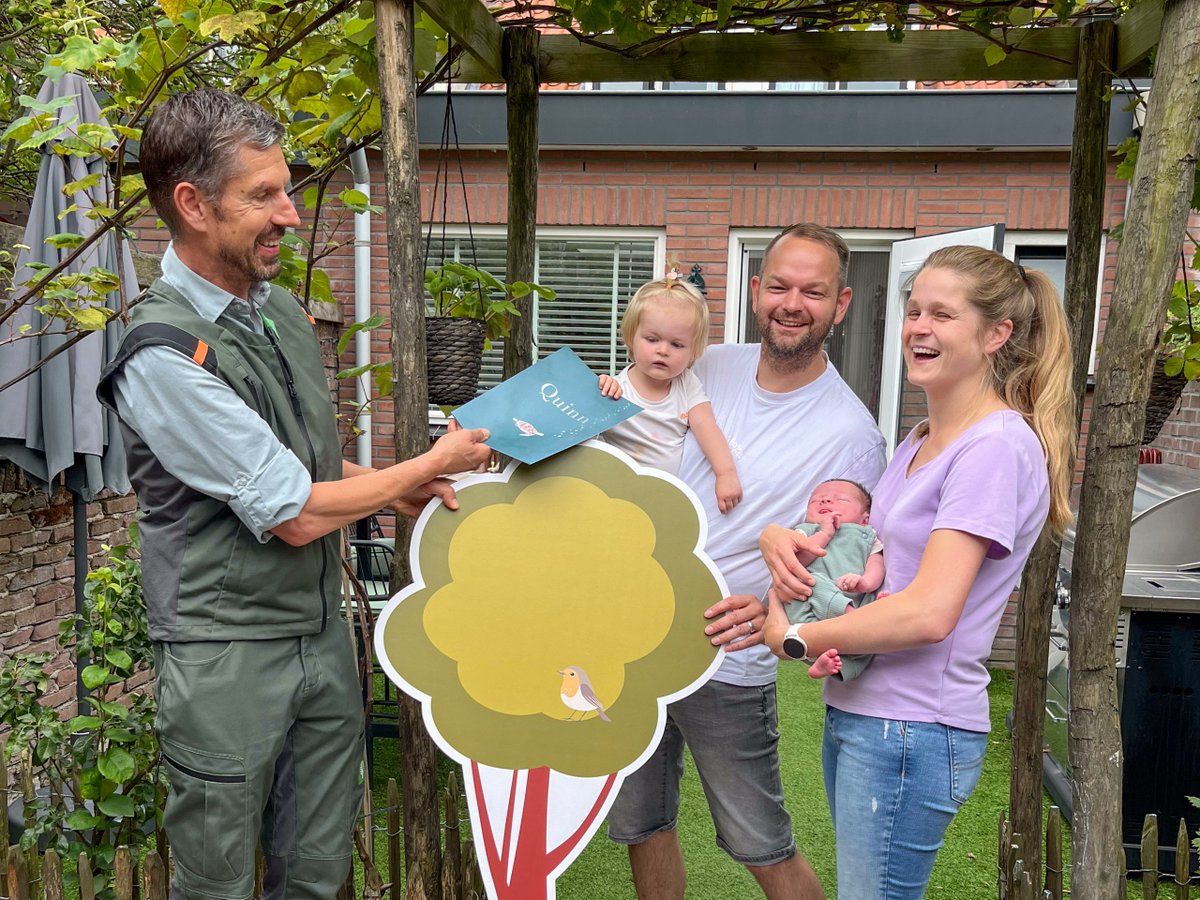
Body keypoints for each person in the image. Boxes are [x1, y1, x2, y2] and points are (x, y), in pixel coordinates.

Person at [96, 89, 491, 900]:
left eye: (287, 188)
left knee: (317, 871)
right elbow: (292, 511)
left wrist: (391, 493)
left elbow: (307, 470)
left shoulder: (275, 312)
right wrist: (419, 466)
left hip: (317, 636)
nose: (291, 213)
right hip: (226, 652)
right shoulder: (161, 354)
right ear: (192, 205)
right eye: (263, 195)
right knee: (217, 883)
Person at [761, 245, 1075, 899]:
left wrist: (797, 638)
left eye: (942, 314)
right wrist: (785, 550)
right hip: (865, 713)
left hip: (911, 728)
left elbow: (931, 612)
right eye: (912, 311)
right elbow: (874, 560)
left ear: (997, 334)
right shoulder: (920, 438)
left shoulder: (993, 447)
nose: (919, 327)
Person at [606, 223, 887, 900]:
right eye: (781, 286)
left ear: (840, 304)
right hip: (636, 636)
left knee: (760, 844)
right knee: (642, 824)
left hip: (729, 655)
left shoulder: (851, 434)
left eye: (813, 292)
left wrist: (768, 608)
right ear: (757, 292)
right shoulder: (703, 366)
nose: (794, 303)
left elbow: (840, 578)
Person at [598, 271, 741, 511]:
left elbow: (706, 425)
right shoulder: (616, 389)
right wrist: (598, 389)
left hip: (664, 498)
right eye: (652, 339)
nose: (663, 350)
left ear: (694, 351)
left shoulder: (686, 384)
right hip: (614, 494)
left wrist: (725, 473)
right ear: (631, 337)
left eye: (677, 344)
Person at [777, 478, 885, 681]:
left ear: (864, 518)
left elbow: (876, 563)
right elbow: (795, 562)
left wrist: (865, 582)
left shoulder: (867, 535)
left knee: (874, 594)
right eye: (816, 500)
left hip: (854, 597)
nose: (825, 501)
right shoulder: (804, 531)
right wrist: (825, 533)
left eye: (840, 499)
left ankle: (833, 657)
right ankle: (852, 619)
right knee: (807, 580)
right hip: (809, 603)